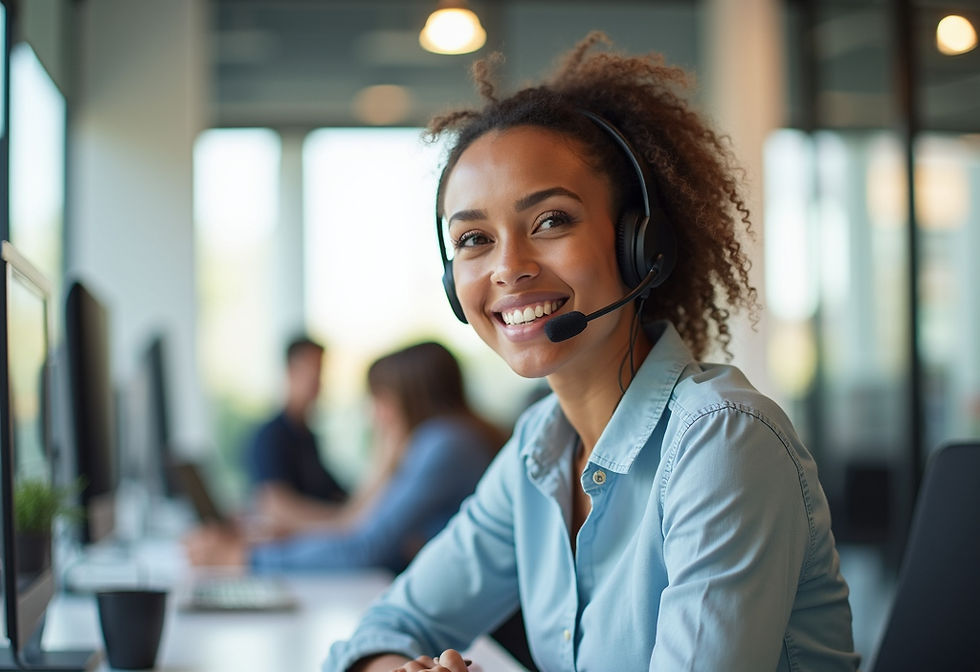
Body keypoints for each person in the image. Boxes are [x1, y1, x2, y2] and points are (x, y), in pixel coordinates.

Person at [324, 33, 860, 672]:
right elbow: (385, 627)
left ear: (640, 244)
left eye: (551, 221)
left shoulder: (721, 442)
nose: (508, 268)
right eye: (473, 238)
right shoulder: (538, 451)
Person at [186, 341, 502, 573]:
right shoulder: (448, 439)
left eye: (379, 401)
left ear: (408, 399)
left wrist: (242, 558)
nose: (374, 416)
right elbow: (358, 523)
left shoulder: (444, 445)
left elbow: (364, 545)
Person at [244, 335, 348, 535]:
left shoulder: (307, 437)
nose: (318, 382)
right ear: (291, 372)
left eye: (321, 373)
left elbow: (336, 494)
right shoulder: (271, 437)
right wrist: (344, 521)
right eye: (312, 371)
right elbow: (276, 507)